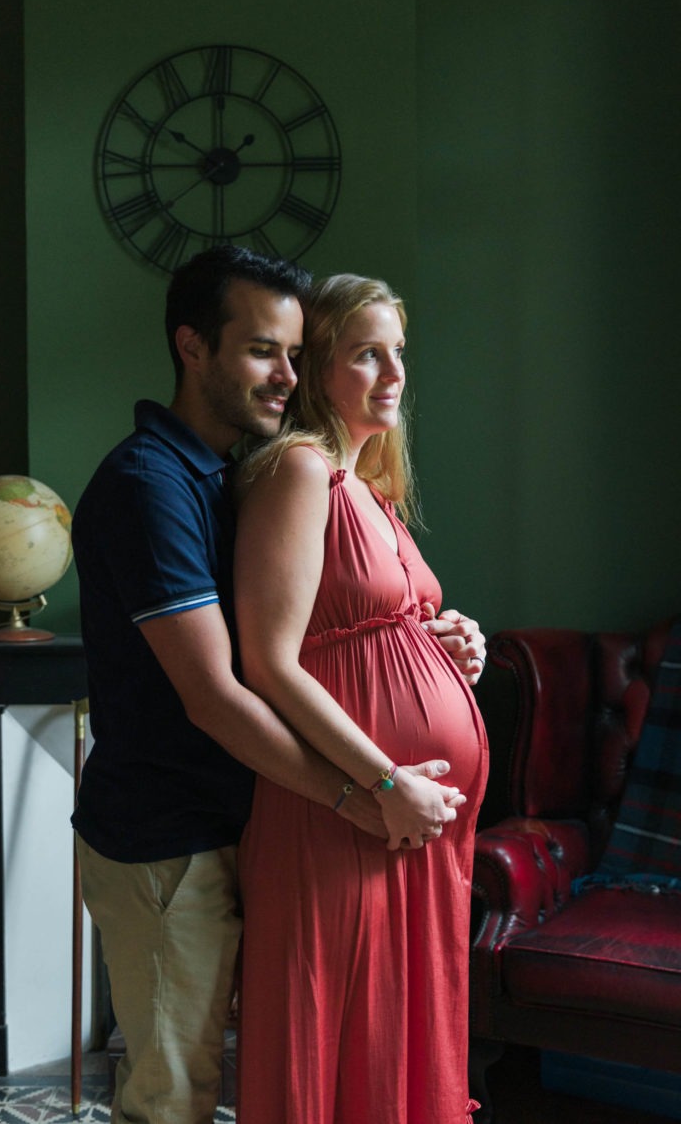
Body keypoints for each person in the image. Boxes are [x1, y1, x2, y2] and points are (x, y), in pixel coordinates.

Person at [71, 246, 483, 1124]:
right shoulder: (152, 485)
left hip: (245, 818)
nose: (286, 377)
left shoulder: (231, 472)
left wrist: (433, 641)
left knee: (261, 1068)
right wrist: (366, 792)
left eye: (296, 354)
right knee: (171, 1098)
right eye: (264, 351)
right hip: (167, 844)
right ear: (192, 346)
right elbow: (222, 690)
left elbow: (320, 618)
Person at [234, 273, 490, 1124]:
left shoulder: (370, 486)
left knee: (395, 1040)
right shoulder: (301, 472)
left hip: (409, 829)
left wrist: (451, 643)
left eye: (399, 353)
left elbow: (370, 634)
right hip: (343, 815)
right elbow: (269, 661)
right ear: (317, 372)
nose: (394, 372)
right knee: (337, 1036)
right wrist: (386, 783)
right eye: (366, 353)